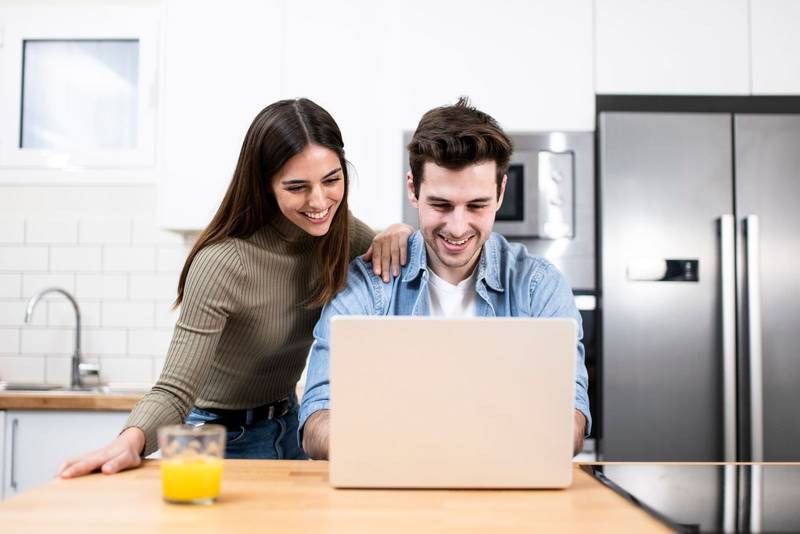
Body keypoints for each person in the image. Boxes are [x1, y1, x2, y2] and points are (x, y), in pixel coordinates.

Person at [58, 98, 412, 477]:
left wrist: (400, 231)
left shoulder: (340, 235)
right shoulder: (223, 263)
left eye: (332, 179)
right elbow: (175, 391)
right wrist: (127, 442)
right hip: (218, 439)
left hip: (291, 430)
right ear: (265, 186)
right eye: (297, 187)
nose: (319, 201)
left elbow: (390, 256)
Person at [300, 97, 591, 460]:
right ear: (413, 188)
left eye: (476, 205)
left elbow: (572, 421)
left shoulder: (539, 287)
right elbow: (316, 419)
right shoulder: (369, 285)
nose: (457, 227)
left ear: (500, 192)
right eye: (441, 205)